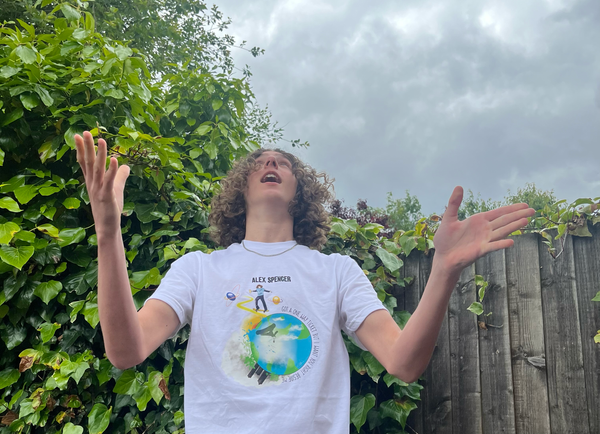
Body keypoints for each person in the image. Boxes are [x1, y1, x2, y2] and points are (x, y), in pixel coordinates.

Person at [74, 131, 534, 433]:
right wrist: (108, 234)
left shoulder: (336, 272)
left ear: (301, 192)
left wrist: (444, 269)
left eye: (284, 162)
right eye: (260, 162)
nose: (272, 161)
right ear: (241, 189)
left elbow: (403, 362)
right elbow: (126, 351)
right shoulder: (198, 269)